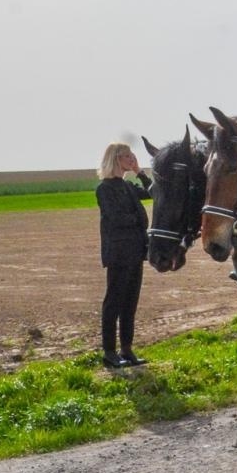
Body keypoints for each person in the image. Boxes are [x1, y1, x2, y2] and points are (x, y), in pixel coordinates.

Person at [95, 141, 152, 367]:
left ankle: (127, 349)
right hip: (118, 253)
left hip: (136, 251)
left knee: (130, 302)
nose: (132, 159)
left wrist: (140, 172)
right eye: (128, 157)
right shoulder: (104, 189)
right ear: (116, 158)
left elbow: (152, 192)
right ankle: (109, 352)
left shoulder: (128, 187)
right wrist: (139, 220)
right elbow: (117, 218)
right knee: (114, 303)